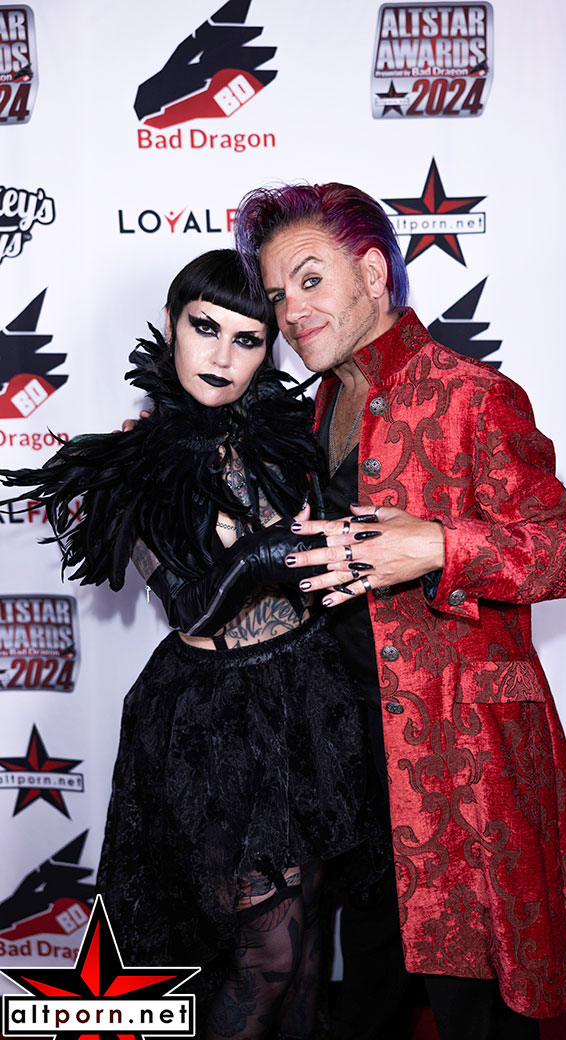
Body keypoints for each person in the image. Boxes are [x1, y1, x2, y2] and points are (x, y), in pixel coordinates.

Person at [233, 184, 566, 1039]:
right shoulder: (319, 403)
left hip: (461, 765)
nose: (292, 312)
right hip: (357, 762)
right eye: (279, 295)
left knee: (477, 1007)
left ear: (372, 272)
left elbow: (563, 553)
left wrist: (439, 544)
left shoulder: (474, 395)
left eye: (311, 280)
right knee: (368, 989)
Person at [0, 249, 377, 1040]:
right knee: (264, 954)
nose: (222, 355)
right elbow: (189, 609)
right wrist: (259, 555)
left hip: (310, 696)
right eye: (206, 328)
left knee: (311, 940)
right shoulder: (128, 466)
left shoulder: (288, 434)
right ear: (171, 324)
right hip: (216, 721)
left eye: (247, 339)